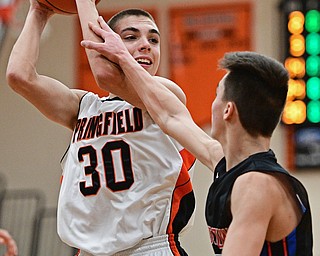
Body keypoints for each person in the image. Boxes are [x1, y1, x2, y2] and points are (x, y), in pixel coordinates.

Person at [80, 17, 313, 255]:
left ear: (227, 110)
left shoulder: (256, 184)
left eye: (216, 95)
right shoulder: (228, 164)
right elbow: (168, 116)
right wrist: (123, 57)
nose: (211, 104)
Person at [6, 1, 196, 255]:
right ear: (108, 43)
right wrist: (39, 12)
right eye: (131, 37)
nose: (145, 45)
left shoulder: (165, 94)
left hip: (147, 248)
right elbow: (20, 76)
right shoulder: (83, 108)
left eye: (154, 40)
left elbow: (106, 75)